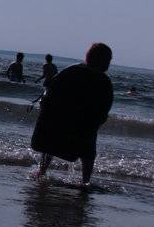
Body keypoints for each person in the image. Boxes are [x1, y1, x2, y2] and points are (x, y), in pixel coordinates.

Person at [32, 43, 114, 188]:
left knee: (51, 133)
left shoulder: (72, 70)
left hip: (56, 128)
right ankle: (85, 181)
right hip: (81, 135)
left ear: (88, 56)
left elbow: (48, 93)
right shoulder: (104, 82)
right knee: (89, 150)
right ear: (106, 62)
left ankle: (42, 171)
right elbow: (103, 114)